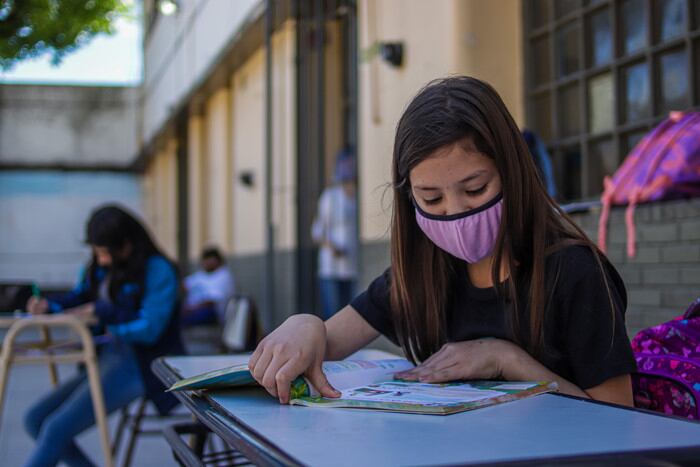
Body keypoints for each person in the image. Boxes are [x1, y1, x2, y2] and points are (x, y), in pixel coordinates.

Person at [248, 76, 637, 407]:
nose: (455, 213)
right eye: (431, 199)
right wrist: (305, 324)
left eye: (475, 189)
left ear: (513, 172)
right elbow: (327, 340)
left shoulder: (575, 273)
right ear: (408, 197)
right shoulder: (421, 274)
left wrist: (507, 360)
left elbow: (618, 416)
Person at [23, 204, 184, 467]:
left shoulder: (158, 269)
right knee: (34, 420)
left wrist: (102, 315)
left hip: (143, 365)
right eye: (96, 252)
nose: (101, 260)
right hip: (107, 357)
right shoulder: (100, 269)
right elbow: (81, 297)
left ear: (127, 244)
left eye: (105, 252)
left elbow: (150, 329)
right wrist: (48, 306)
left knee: (55, 429)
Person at [311, 148, 359, 319]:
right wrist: (332, 247)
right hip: (331, 266)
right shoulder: (330, 197)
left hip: (353, 266)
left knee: (352, 316)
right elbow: (317, 231)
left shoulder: (358, 197)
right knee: (333, 316)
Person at [181, 246, 235, 326]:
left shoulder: (223, 275)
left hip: (212, 313)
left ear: (217, 261)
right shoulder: (201, 274)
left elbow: (212, 301)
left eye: (210, 259)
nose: (207, 262)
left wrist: (191, 308)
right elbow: (184, 285)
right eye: (205, 259)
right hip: (192, 310)